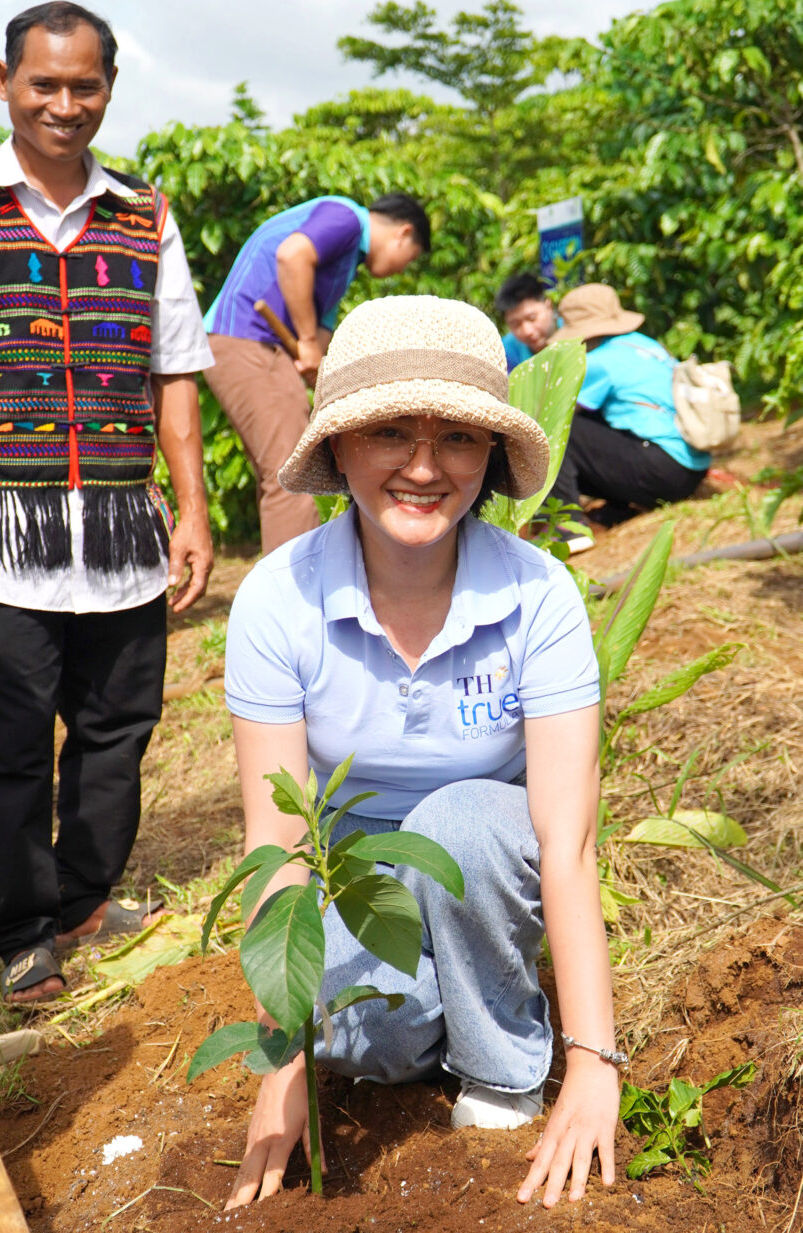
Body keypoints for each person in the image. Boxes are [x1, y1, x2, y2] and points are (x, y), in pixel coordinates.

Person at [222, 295, 623, 1210]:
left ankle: (502, 1063)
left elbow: (565, 841)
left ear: (490, 456)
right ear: (338, 449)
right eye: (390, 433)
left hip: (488, 851)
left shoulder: (536, 595)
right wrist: (280, 1073)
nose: (422, 466)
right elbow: (276, 839)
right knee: (371, 1040)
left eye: (458, 439)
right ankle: (444, 997)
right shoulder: (279, 600)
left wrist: (592, 1060)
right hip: (356, 881)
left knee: (458, 822)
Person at [0, 2, 214, 1004]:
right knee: (9, 740)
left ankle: (85, 896)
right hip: (0, 535)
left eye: (85, 87)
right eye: (45, 84)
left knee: (120, 723)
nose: (64, 105)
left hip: (121, 527)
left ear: (109, 91)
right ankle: (23, 930)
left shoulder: (145, 215)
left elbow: (174, 375)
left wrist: (194, 512)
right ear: (5, 84)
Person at [203, 192, 431, 553]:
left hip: (256, 346)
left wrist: (320, 362)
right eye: (411, 258)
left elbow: (322, 330)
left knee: (284, 473)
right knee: (294, 476)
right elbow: (293, 256)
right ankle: (294, 597)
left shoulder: (346, 260)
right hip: (250, 338)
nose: (403, 268)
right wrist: (307, 340)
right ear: (403, 233)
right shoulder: (346, 218)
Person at [547, 284, 711, 532]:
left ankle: (568, 528)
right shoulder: (642, 343)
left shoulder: (598, 362)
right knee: (602, 419)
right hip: (693, 468)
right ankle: (618, 506)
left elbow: (560, 415)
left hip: (665, 472)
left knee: (558, 431)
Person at [495, 272, 557, 372]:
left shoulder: (577, 328)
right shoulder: (504, 352)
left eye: (532, 318)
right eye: (515, 324)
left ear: (548, 306)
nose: (527, 331)